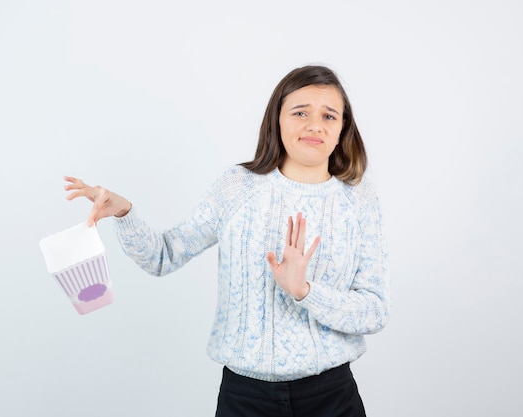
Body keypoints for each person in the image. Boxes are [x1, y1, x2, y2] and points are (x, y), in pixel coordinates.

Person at [64, 65, 390, 417]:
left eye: (329, 115)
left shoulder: (359, 199)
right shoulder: (237, 186)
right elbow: (163, 256)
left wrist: (305, 292)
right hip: (246, 398)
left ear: (342, 130)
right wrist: (124, 212)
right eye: (300, 112)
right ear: (276, 120)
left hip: (331, 397)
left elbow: (374, 311)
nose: (315, 125)